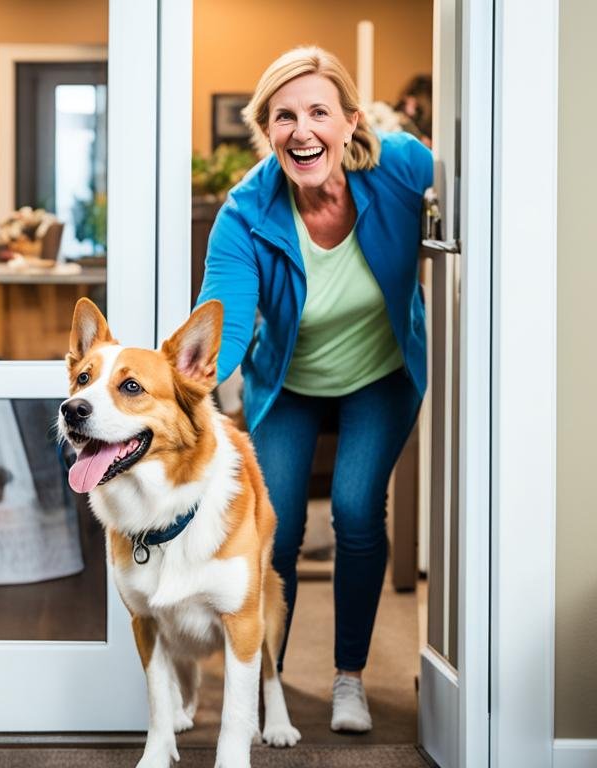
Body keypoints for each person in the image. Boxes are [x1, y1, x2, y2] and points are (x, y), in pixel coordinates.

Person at [195, 46, 433, 734]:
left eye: (319, 113)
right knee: (281, 527)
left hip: (379, 373)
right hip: (289, 384)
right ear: (266, 129)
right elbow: (226, 318)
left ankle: (350, 678)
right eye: (283, 117)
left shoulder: (401, 169)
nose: (302, 130)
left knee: (358, 511)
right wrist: (168, 388)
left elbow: (480, 186)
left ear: (352, 122)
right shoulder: (245, 214)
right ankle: (268, 683)